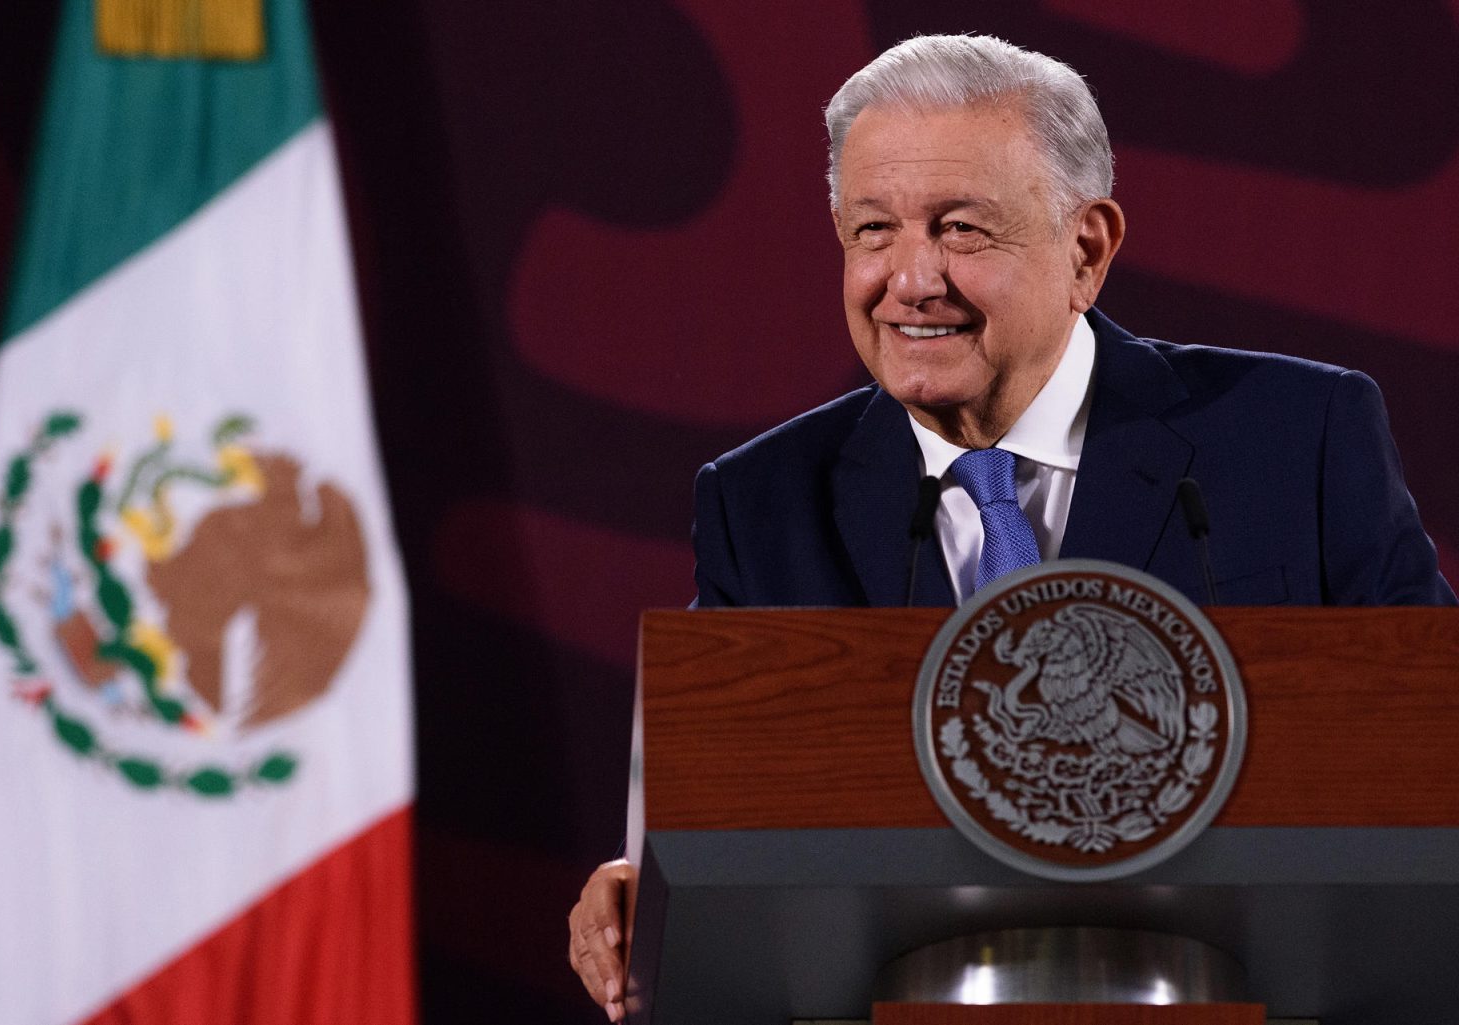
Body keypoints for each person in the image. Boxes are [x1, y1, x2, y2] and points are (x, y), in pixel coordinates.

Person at [566, 32, 1456, 1020]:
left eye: (960, 229)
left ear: (1088, 248)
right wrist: (648, 876)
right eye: (872, 230)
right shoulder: (767, 498)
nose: (911, 279)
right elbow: (730, 798)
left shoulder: (1294, 440)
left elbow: (1433, 766)